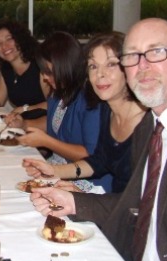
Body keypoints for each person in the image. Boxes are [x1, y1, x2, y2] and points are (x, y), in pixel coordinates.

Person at [30, 18, 167, 261]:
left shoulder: (148, 123)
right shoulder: (151, 125)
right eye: (133, 56)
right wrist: (71, 196)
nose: (142, 65)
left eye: (157, 51)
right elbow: (137, 202)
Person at [23, 32, 147, 193]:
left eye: (111, 64)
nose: (100, 74)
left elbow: (135, 198)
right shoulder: (106, 110)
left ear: (129, 67)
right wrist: (54, 170)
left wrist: (84, 200)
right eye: (93, 66)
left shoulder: (149, 123)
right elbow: (99, 161)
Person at [13, 31, 112, 192]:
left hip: (89, 180)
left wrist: (46, 141)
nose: (45, 77)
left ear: (65, 65)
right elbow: (55, 123)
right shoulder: (58, 93)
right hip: (59, 167)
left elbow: (91, 156)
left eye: (49, 72)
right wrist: (24, 124)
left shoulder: (91, 99)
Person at [0, 21, 49, 124]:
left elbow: (55, 105)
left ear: (21, 39)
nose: (4, 46)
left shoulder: (40, 66)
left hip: (46, 126)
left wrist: (24, 109)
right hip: (20, 125)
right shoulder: (6, 69)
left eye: (9, 39)